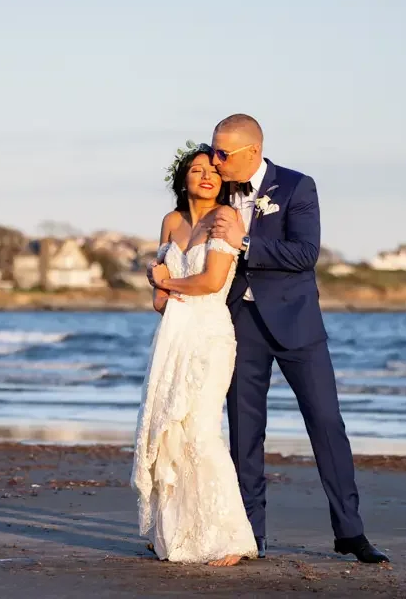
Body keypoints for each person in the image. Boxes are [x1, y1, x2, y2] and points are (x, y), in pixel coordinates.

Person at [207, 113, 388, 564]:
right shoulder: (216, 191)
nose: (215, 160)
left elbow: (306, 255)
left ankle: (350, 532)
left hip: (297, 325)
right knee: (245, 433)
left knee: (327, 424)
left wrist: (246, 243)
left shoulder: (297, 187)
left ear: (252, 152)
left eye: (223, 153)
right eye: (213, 151)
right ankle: (251, 534)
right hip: (239, 324)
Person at [131, 141, 258, 567]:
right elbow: (158, 301)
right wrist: (160, 284)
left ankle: (231, 538)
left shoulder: (227, 217)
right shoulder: (170, 221)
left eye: (213, 171)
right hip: (172, 335)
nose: (206, 176)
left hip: (209, 334)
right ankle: (178, 533)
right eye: (197, 170)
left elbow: (210, 281)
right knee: (171, 432)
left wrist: (165, 282)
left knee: (201, 431)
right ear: (182, 178)